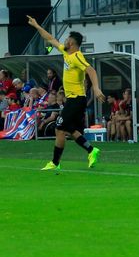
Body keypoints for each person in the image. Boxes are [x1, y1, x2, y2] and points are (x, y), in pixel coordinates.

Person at [27, 16, 106, 171]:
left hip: (77, 99)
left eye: (67, 38)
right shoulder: (65, 52)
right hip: (72, 99)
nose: (64, 40)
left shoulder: (77, 56)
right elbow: (50, 39)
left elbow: (90, 70)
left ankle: (55, 163)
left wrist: (96, 88)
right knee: (69, 129)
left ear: (71, 43)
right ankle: (91, 150)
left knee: (59, 128)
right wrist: (37, 25)